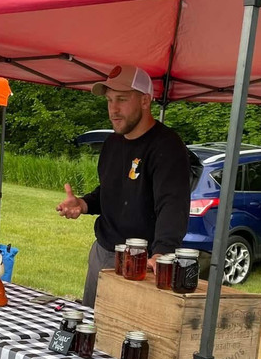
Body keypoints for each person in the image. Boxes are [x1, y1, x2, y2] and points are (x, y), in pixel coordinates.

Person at [56, 65, 192, 306]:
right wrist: (83, 204)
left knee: (126, 335)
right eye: (109, 100)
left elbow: (173, 205)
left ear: (145, 100)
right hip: (103, 253)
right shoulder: (112, 143)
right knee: (91, 327)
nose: (113, 110)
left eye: (122, 99)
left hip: (143, 263)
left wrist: (162, 253)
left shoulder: (167, 147)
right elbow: (111, 193)